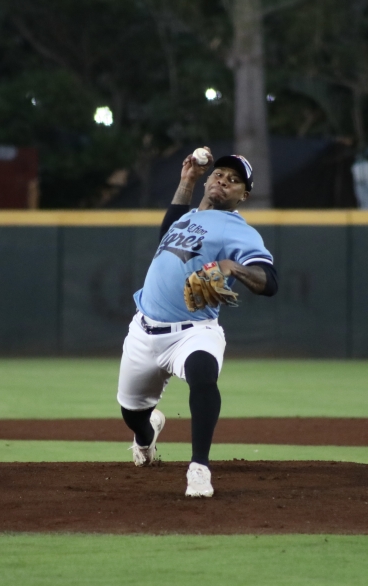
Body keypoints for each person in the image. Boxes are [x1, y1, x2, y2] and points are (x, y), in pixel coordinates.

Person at [115, 148, 279, 497]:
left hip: (194, 332)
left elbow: (269, 281)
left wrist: (234, 267)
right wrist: (186, 181)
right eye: (219, 174)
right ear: (209, 179)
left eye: (234, 181)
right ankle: (146, 434)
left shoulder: (238, 230)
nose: (224, 181)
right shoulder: (187, 217)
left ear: (243, 196)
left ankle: (199, 468)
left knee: (204, 376)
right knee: (132, 414)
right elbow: (167, 229)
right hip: (143, 331)